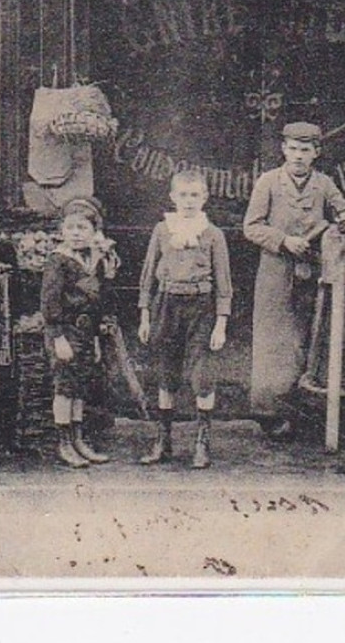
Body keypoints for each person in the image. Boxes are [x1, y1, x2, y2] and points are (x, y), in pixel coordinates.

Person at [243, 121, 345, 440]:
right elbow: (251, 227)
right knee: (275, 342)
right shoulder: (268, 182)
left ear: (316, 153)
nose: (298, 156)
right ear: (283, 149)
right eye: (293, 149)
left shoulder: (324, 184)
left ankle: (306, 411)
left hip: (313, 275)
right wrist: (283, 240)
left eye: (305, 150)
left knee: (311, 340)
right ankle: (271, 414)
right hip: (275, 274)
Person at [137, 170, 234, 468]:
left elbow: (224, 282)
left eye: (195, 195)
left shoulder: (213, 234)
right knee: (167, 372)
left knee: (202, 375)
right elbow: (147, 274)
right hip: (167, 304)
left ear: (204, 198)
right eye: (183, 195)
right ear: (172, 197)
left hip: (201, 307)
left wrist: (221, 323)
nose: (189, 201)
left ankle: (202, 443)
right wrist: (145, 315)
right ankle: (163, 441)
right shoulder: (162, 231)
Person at [41, 196, 120, 469]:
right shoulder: (58, 262)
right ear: (62, 230)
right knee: (64, 387)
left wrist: (106, 275)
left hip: (86, 333)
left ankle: (78, 440)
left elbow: (100, 301)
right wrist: (58, 337)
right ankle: (64, 443)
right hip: (64, 331)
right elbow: (49, 303)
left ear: (94, 232)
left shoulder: (93, 261)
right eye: (71, 228)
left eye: (82, 228)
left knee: (79, 388)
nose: (76, 234)